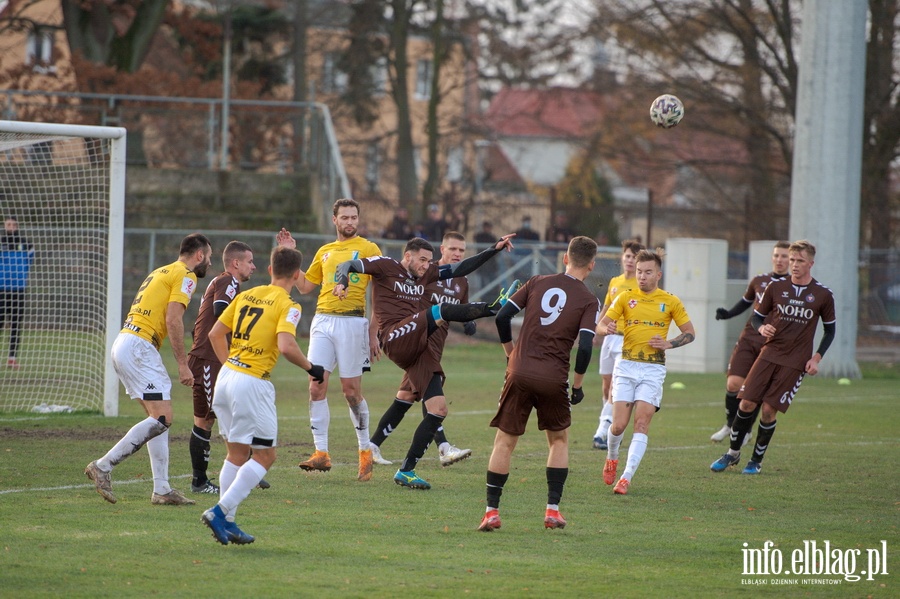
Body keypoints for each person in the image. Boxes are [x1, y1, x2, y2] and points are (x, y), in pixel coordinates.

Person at [332, 233, 516, 489]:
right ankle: (493, 307)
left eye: (429, 261)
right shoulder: (386, 265)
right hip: (395, 336)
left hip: (419, 347)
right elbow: (347, 266)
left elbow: (462, 268)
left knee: (438, 409)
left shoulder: (428, 273)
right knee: (437, 311)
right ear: (407, 256)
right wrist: (342, 283)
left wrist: (493, 250)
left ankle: (406, 471)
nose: (426, 266)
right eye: (422, 260)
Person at [201, 246, 325, 545]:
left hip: (227, 376)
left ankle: (228, 522)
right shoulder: (289, 305)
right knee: (266, 455)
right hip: (252, 383)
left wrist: (233, 363)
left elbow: (215, 334)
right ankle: (219, 511)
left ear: (270, 270)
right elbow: (286, 346)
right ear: (297, 275)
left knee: (236, 453)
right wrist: (312, 367)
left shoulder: (245, 295)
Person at [478, 236, 599, 532]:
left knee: (505, 441)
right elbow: (585, 347)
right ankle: (552, 511)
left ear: (564, 258)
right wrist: (578, 386)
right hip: (553, 377)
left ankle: (491, 512)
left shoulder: (536, 281)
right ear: (592, 265)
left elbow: (503, 316)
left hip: (519, 371)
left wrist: (510, 354)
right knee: (558, 440)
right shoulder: (588, 300)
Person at [84, 233, 213, 506]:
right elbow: (173, 318)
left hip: (125, 342)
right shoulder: (185, 275)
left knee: (157, 421)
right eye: (209, 257)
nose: (209, 263)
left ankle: (162, 490)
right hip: (140, 346)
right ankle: (103, 466)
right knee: (163, 418)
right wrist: (182, 364)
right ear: (199, 255)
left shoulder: (160, 271)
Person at [710, 240, 835, 475]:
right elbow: (757, 317)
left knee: (768, 410)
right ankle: (732, 453)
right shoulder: (775, 287)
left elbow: (830, 330)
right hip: (768, 354)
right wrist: (760, 329)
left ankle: (755, 461)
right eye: (792, 259)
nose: (794, 264)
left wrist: (816, 358)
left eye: (799, 261)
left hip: (795, 361)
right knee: (746, 402)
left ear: (811, 263)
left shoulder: (823, 295)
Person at [279, 198, 381, 482]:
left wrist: (373, 330)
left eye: (354, 217)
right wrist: (290, 254)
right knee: (315, 386)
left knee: (351, 392)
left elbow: (380, 293)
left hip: (352, 322)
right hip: (323, 320)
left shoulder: (369, 249)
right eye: (344, 217)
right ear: (334, 220)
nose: (350, 222)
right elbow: (304, 286)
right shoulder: (324, 251)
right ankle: (321, 453)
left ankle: (365, 454)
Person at [368, 231, 475, 468]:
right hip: (416, 343)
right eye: (453, 249)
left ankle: (372, 445)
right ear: (442, 249)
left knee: (406, 396)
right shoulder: (424, 272)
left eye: (462, 250)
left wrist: (470, 322)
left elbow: (462, 309)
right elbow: (388, 302)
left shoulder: (462, 281)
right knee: (431, 397)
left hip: (437, 345)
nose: (457, 254)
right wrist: (374, 331)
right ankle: (444, 448)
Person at [599, 249, 695, 495]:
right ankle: (612, 457)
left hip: (653, 369)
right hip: (626, 365)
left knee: (641, 423)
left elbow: (690, 332)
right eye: (639, 272)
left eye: (647, 272)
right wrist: (605, 328)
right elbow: (600, 325)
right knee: (618, 426)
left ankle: (626, 478)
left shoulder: (671, 301)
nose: (641, 276)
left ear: (658, 274)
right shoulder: (625, 297)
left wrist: (669, 343)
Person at [187, 241, 259, 495]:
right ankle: (199, 481)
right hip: (209, 359)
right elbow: (220, 310)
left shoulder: (227, 283)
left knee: (234, 411)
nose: (253, 266)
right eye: (250, 261)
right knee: (205, 420)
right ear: (236, 263)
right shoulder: (228, 281)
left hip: (214, 358)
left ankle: (249, 468)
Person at [710, 241, 790, 445]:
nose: (780, 260)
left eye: (784, 256)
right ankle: (730, 424)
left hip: (772, 343)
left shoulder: (793, 286)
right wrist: (728, 314)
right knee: (733, 383)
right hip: (749, 337)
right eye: (777, 256)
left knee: (755, 390)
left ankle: (744, 430)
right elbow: (746, 303)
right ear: (772, 258)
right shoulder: (759, 280)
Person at [592, 239, 645, 451]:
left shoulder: (640, 285)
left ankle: (603, 429)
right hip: (609, 338)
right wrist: (597, 330)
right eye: (628, 256)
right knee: (606, 385)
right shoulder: (615, 282)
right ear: (622, 258)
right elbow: (606, 308)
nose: (630, 260)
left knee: (615, 385)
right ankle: (611, 423)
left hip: (626, 340)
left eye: (634, 257)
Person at [0, 216, 34, 369]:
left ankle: (12, 357)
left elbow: (30, 260)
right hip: (2, 288)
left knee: (15, 323)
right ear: (4, 226)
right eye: (8, 224)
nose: (11, 227)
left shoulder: (26, 244)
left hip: (19, 289)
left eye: (14, 224)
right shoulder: (1, 242)